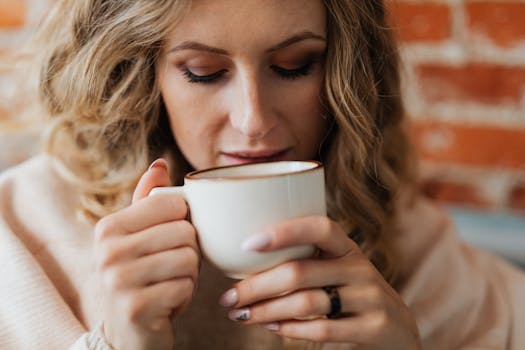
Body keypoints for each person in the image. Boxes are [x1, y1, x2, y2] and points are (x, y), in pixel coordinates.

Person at [1, 0, 524, 349]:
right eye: (204, 73)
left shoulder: (395, 228)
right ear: (139, 73)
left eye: (295, 65)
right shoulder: (21, 234)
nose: (254, 120)